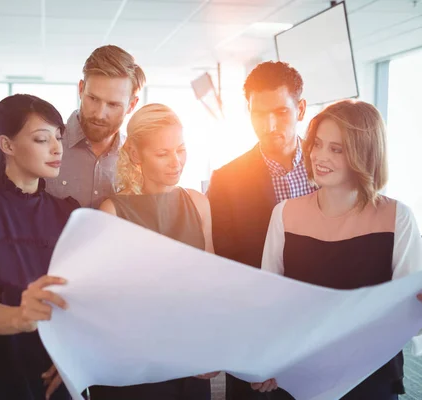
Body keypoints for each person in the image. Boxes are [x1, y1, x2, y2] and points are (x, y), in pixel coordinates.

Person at [261, 99, 422, 400]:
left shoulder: (398, 218)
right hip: (299, 373)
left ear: (365, 154)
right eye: (317, 144)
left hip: (369, 374)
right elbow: (269, 301)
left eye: (337, 149)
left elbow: (410, 318)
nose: (320, 156)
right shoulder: (284, 214)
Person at [0, 94, 77, 400]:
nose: (56, 148)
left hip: (59, 367)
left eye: (58, 138)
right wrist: (23, 316)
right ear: (7, 145)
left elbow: (78, 302)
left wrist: (74, 358)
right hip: (1, 369)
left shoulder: (68, 213)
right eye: (41, 139)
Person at [207, 61, 315, 399]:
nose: (269, 125)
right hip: (257, 333)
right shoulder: (226, 181)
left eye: (281, 112)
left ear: (300, 109)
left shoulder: (329, 168)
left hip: (319, 326)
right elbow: (226, 271)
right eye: (259, 114)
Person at [91, 103, 215, 400]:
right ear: (135, 154)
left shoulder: (198, 203)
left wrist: (211, 344)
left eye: (181, 150)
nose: (176, 162)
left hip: (191, 359)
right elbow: (109, 303)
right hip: (135, 364)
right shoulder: (112, 212)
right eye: (163, 154)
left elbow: (211, 285)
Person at [45, 45, 145, 208]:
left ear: (131, 105)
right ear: (81, 89)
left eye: (113, 105)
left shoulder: (137, 162)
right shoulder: (43, 146)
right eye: (93, 98)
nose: (99, 114)